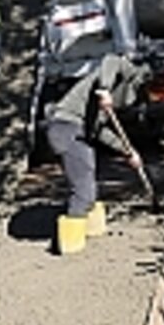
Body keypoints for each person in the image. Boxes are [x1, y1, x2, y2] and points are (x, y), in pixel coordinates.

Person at [44, 52, 152, 246]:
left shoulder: (105, 106)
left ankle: (92, 229)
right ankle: (70, 245)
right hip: (66, 128)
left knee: (88, 181)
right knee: (83, 191)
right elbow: (111, 59)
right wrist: (104, 90)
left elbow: (98, 131)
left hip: (78, 131)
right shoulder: (122, 74)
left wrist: (127, 151)